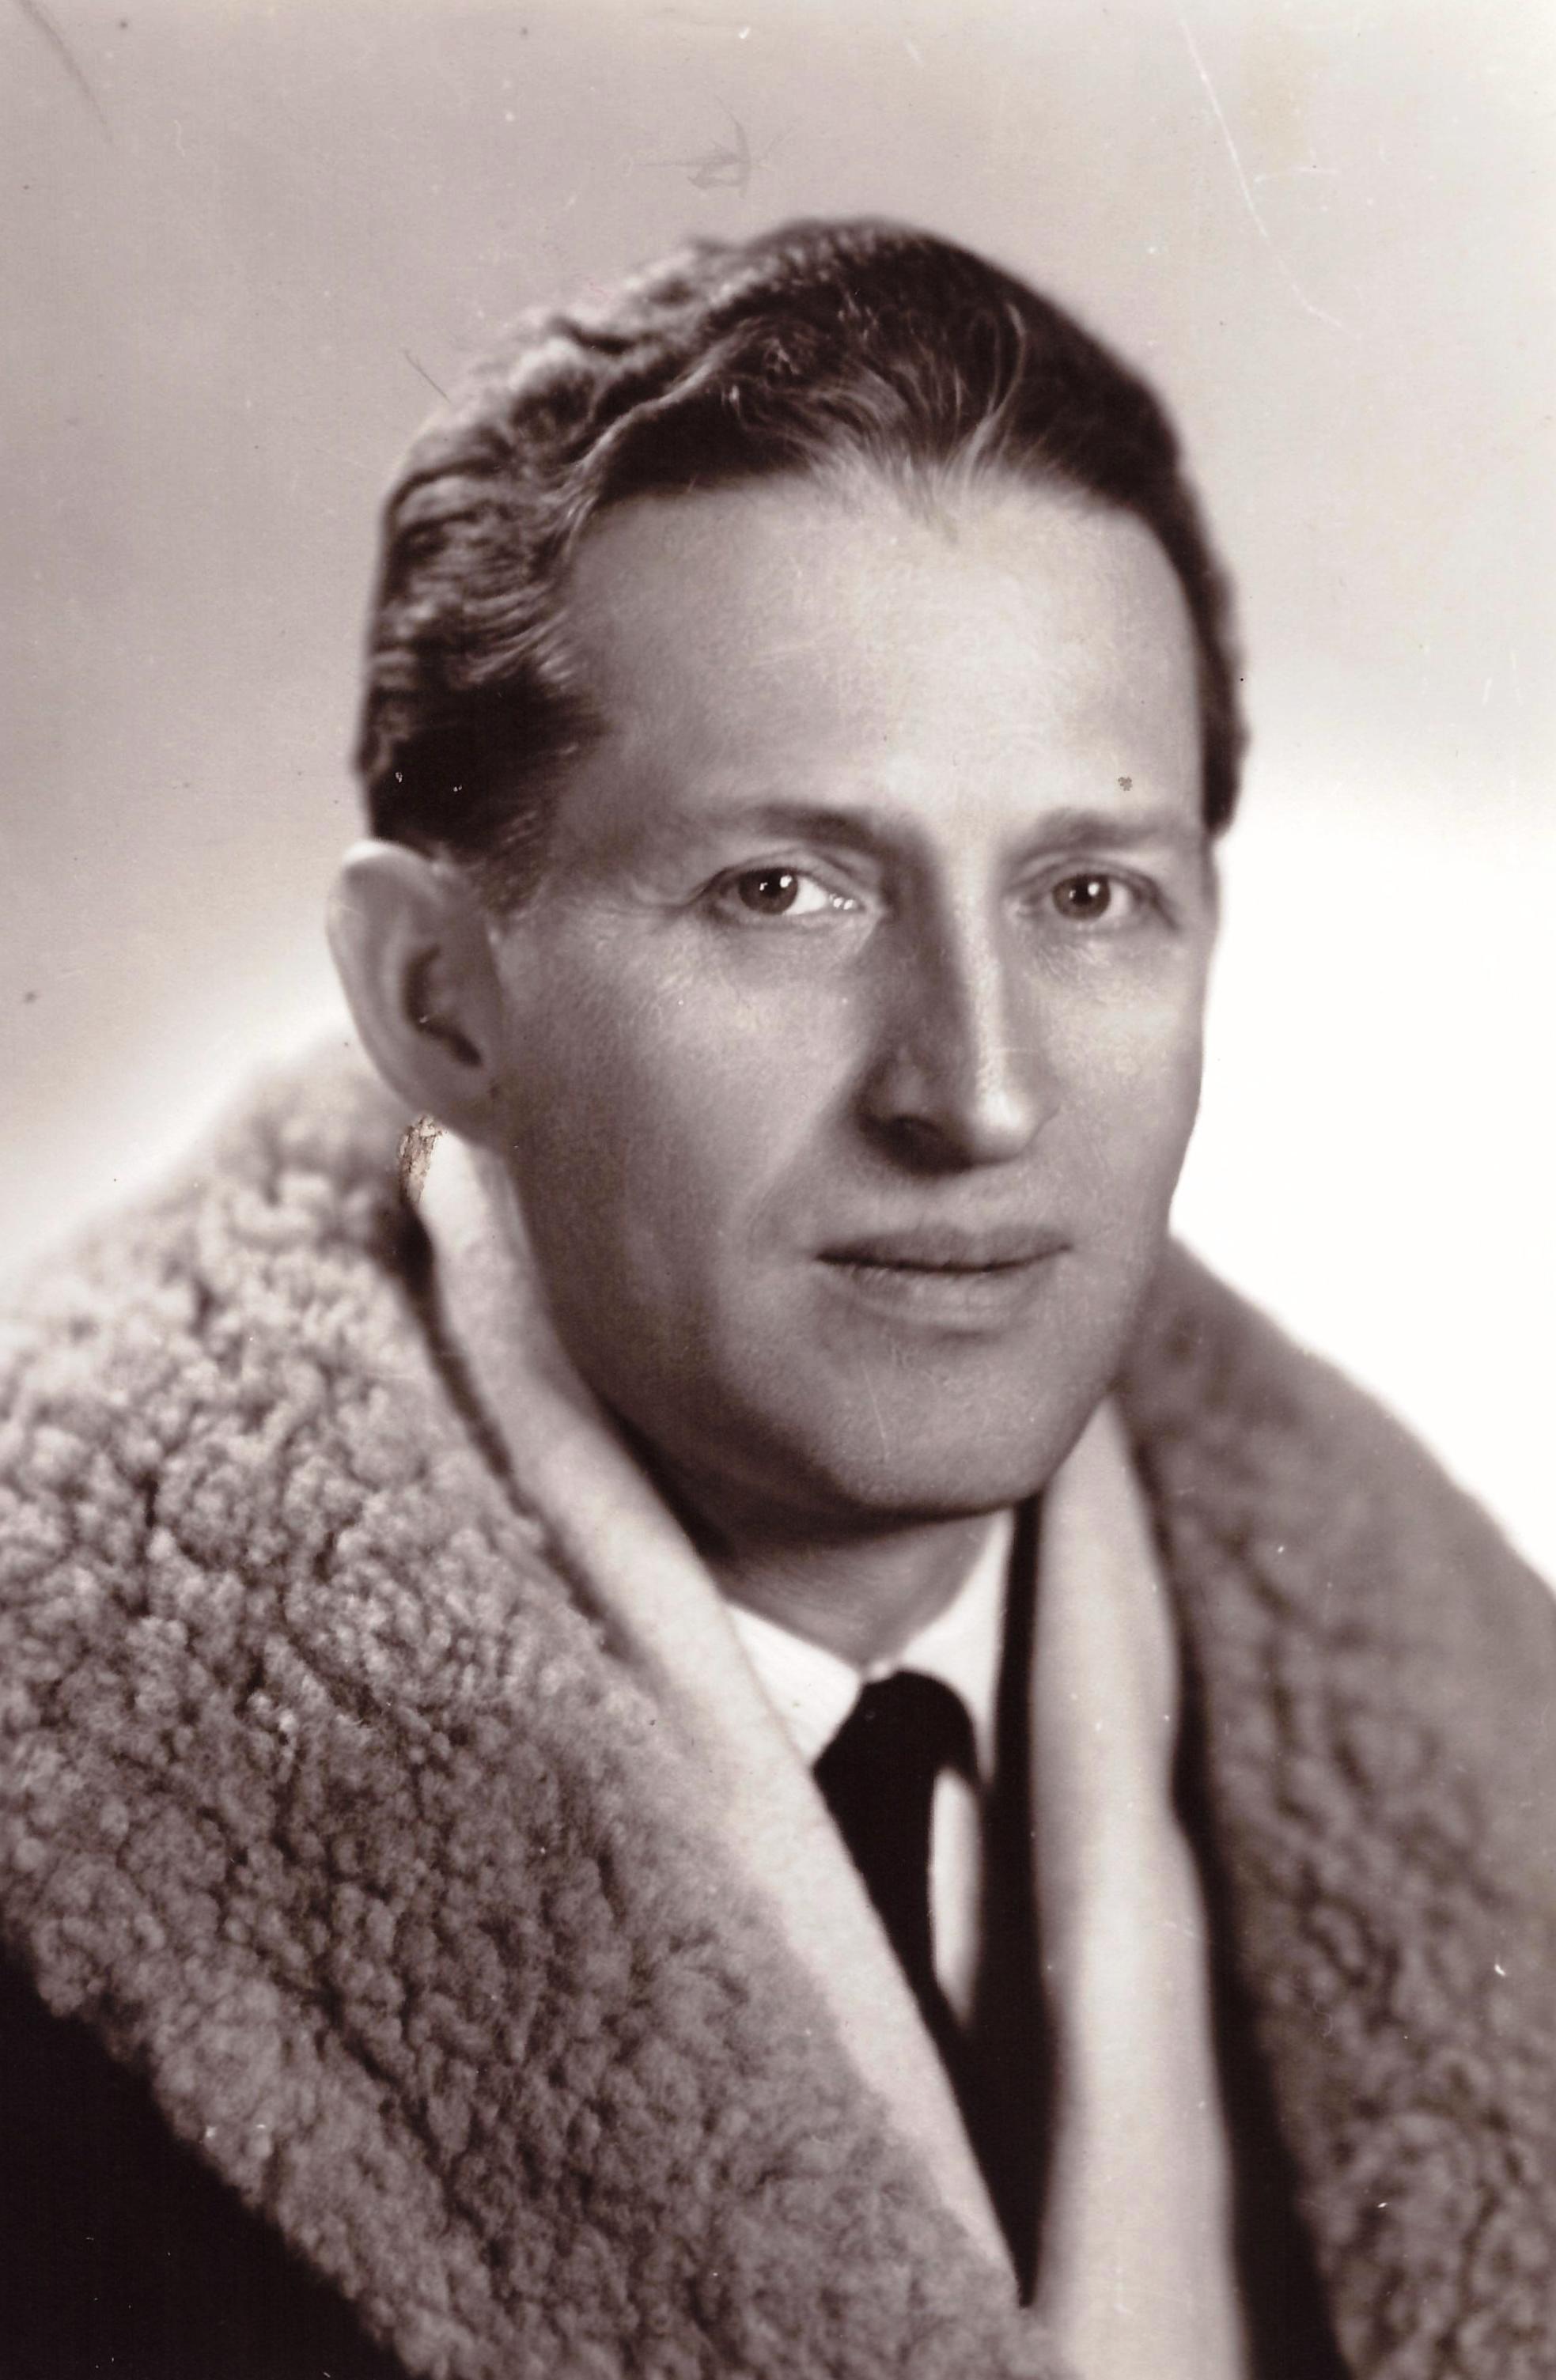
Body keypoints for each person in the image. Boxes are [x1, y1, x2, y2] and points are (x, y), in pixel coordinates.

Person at [1, 219, 1551, 2380]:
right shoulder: (58, 1900)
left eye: (1088, 893)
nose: (976, 1094)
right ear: (439, 1004)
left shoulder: (1497, 1764)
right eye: (785, 890)